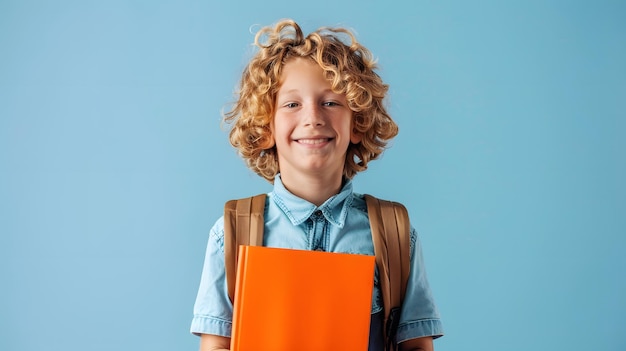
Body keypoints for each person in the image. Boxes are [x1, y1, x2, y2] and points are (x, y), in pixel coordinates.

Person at [191, 19, 444, 351]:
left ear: (358, 123)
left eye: (331, 102)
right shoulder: (231, 232)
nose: (312, 117)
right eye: (292, 104)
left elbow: (415, 345)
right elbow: (216, 346)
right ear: (265, 127)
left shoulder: (394, 232)